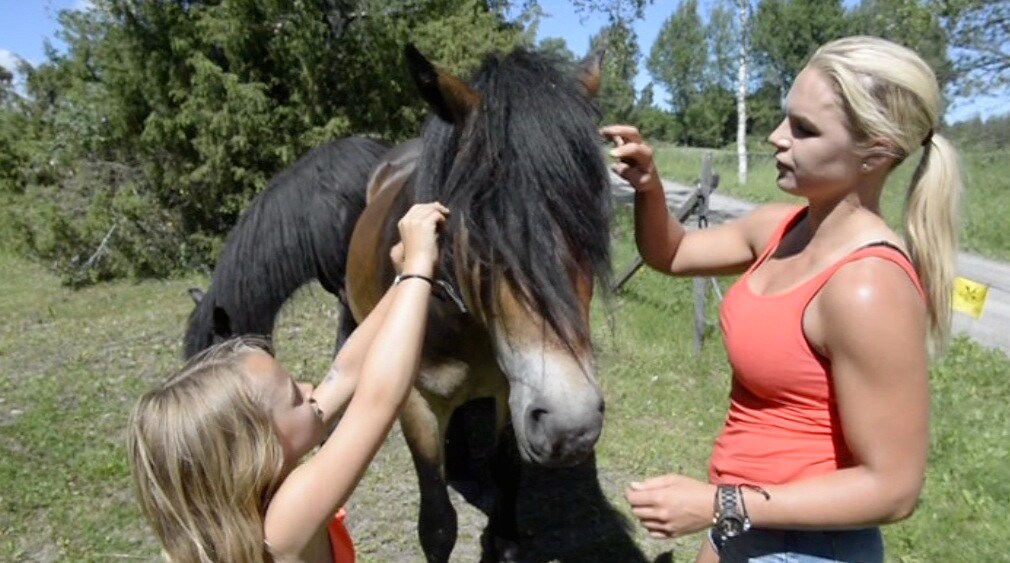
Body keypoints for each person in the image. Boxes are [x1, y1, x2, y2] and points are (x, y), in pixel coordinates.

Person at [604, 36, 962, 563]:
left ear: (876, 152)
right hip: (747, 525)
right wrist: (650, 187)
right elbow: (672, 253)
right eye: (783, 119)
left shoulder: (866, 286)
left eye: (804, 129)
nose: (776, 138)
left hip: (808, 546)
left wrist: (718, 503)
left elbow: (894, 488)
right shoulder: (780, 227)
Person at [127, 202, 450, 562]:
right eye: (295, 397)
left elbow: (344, 373)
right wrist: (420, 269)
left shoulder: (235, 509)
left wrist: (402, 282)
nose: (311, 389)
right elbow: (379, 398)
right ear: (259, 449)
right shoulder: (282, 526)